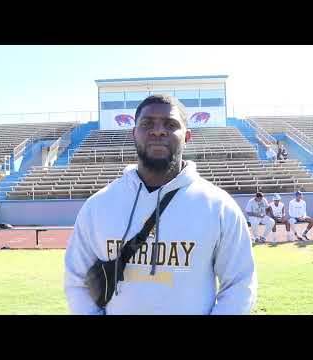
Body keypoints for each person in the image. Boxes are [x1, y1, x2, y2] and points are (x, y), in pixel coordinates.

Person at [64, 94, 257, 315]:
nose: (158, 131)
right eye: (147, 124)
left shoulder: (219, 206)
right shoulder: (98, 205)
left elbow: (240, 284)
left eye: (170, 124)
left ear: (187, 136)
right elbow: (76, 280)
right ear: (134, 133)